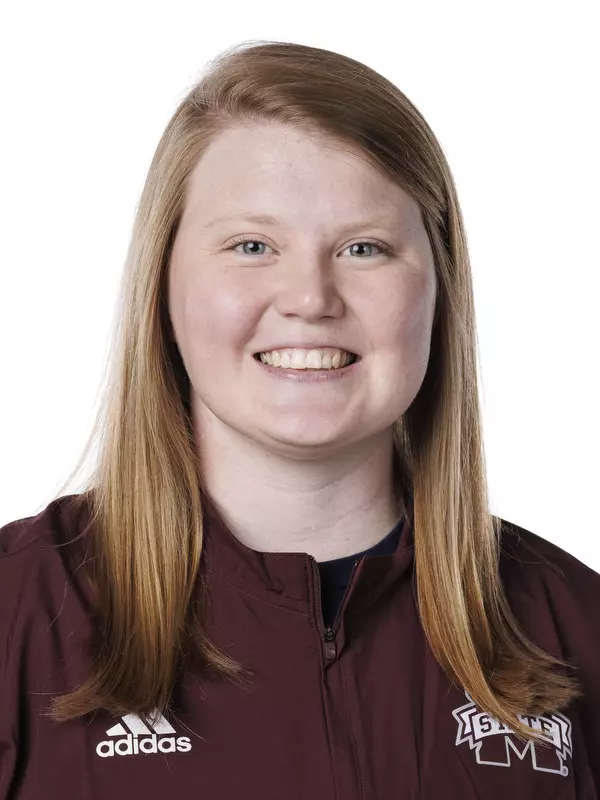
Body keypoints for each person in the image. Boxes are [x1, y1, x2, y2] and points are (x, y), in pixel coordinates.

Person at [0, 38, 598, 799]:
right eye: (253, 245)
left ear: (439, 292)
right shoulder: (14, 615)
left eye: (364, 247)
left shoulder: (577, 628)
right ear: (164, 287)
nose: (311, 298)